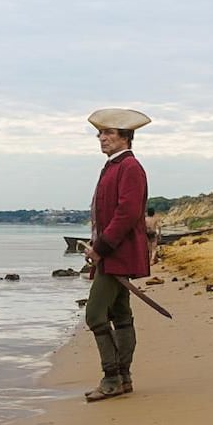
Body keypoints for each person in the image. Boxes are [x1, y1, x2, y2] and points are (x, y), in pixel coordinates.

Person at [82, 107, 151, 402]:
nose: (102, 137)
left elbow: (127, 214)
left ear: (126, 137)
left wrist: (100, 249)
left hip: (117, 254)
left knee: (95, 315)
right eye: (101, 133)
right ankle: (123, 378)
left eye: (108, 132)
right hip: (111, 253)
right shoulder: (113, 166)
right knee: (120, 314)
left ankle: (112, 378)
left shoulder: (130, 167)